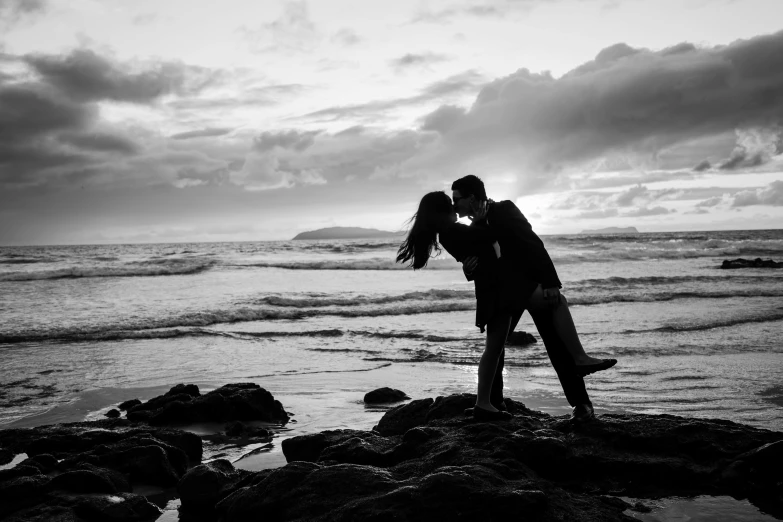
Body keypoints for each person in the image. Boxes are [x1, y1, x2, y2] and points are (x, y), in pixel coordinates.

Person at [451, 174, 617, 422]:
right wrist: (468, 268)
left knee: (555, 342)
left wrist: (550, 282)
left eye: (457, 200)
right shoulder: (474, 228)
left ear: (472, 197)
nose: (455, 205)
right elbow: (480, 265)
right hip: (503, 293)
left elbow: (533, 244)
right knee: (495, 347)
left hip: (530, 286)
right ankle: (493, 403)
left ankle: (582, 405)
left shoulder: (504, 209)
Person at [396, 191, 516, 421]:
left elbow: (478, 254)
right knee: (494, 349)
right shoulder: (454, 231)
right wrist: (481, 220)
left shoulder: (448, 235)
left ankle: (492, 400)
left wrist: (470, 268)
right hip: (494, 290)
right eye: (451, 206)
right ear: (443, 212)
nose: (455, 209)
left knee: (496, 348)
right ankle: (485, 403)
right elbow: (491, 238)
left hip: (489, 289)